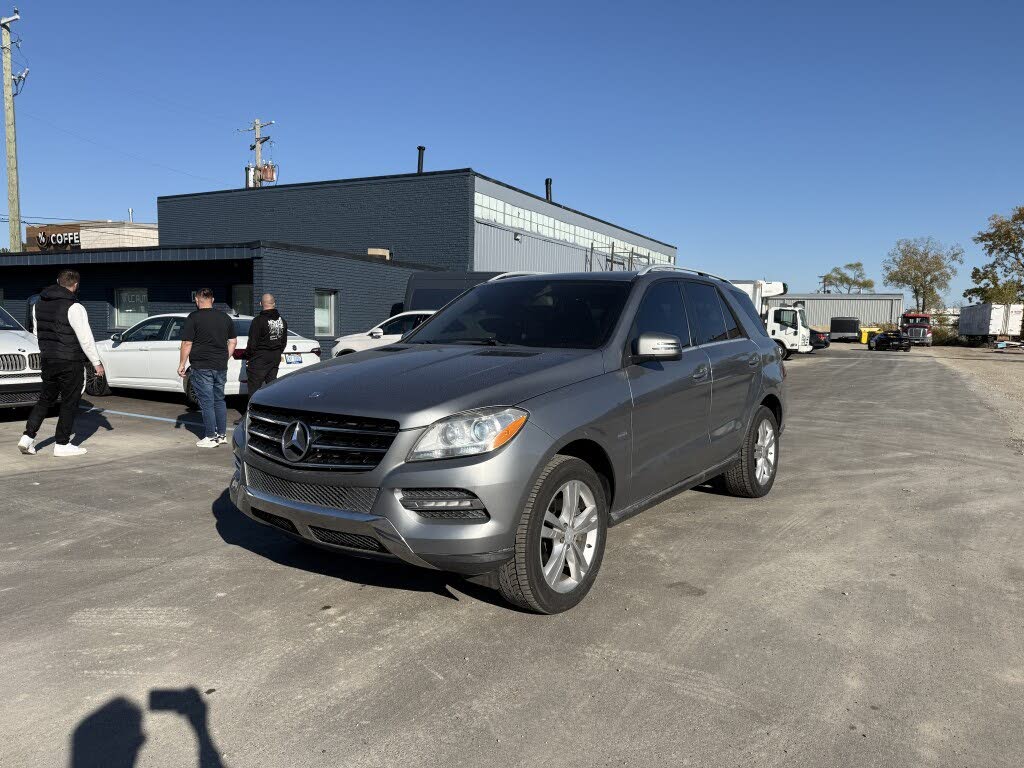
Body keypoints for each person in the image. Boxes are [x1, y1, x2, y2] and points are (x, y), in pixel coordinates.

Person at [18, 269, 105, 457]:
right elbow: (86, 338)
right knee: (69, 402)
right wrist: (96, 362)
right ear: (75, 285)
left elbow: (37, 333)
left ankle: (27, 437)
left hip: (48, 359)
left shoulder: (38, 304)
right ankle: (62, 444)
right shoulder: (75, 306)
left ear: (58, 281)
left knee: (45, 399)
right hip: (69, 360)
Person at [177, 288, 236, 448]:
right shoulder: (225, 317)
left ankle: (210, 436)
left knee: (207, 401)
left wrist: (182, 364)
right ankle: (222, 435)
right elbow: (233, 341)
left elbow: (187, 343)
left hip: (201, 365)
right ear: (213, 299)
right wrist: (225, 357)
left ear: (197, 300)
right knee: (219, 399)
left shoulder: (193, 317)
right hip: (220, 365)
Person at [245, 293, 288, 397]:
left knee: (254, 388)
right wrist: (277, 352)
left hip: (259, 358)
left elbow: (252, 343)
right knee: (272, 387)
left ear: (261, 304)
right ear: (274, 304)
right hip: (275, 357)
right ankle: (272, 410)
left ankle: (253, 411)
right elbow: (283, 342)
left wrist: (247, 356)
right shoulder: (282, 321)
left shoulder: (258, 321)